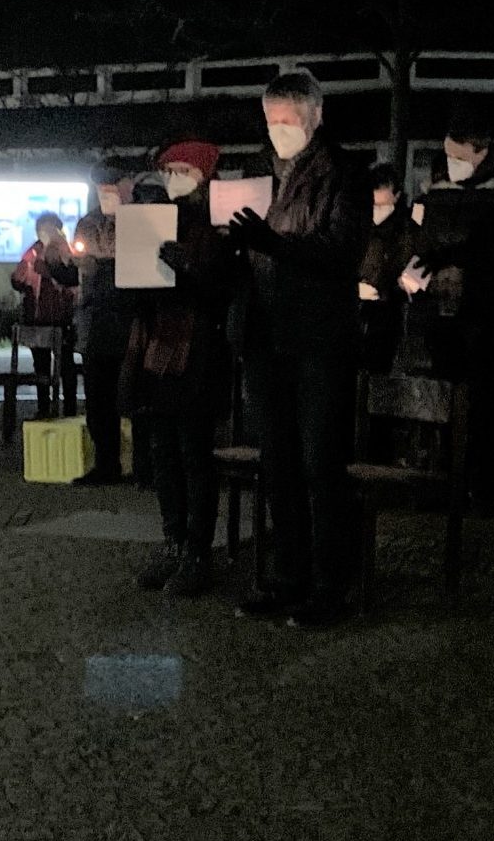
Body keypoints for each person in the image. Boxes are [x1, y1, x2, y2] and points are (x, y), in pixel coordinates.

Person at [229, 72, 368, 625]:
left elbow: (341, 252)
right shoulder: (265, 173)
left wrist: (271, 243)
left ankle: (331, 586)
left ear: (315, 117)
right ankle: (288, 576)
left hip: (319, 340)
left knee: (319, 464)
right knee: (277, 463)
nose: (277, 131)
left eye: (287, 121)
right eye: (270, 121)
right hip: (267, 336)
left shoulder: (344, 174)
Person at [403, 103, 494, 510]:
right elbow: (419, 235)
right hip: (437, 309)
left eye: (458, 156)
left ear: (481, 151)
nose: (450, 163)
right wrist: (419, 265)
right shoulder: (437, 190)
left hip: (481, 310)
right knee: (440, 396)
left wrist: (456, 260)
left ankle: (478, 485)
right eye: (447, 155)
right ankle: (441, 478)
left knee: (478, 400)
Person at [126, 139, 232, 597]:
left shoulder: (217, 224)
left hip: (198, 353)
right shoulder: (158, 218)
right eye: (168, 172)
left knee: (194, 455)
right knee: (164, 454)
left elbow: (218, 290)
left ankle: (197, 551)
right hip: (159, 350)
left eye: (181, 171)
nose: (172, 179)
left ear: (203, 176)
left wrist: (182, 266)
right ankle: (173, 541)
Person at [71, 164, 134, 484]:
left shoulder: (140, 220)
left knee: (134, 395)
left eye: (112, 186)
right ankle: (105, 463)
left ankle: (143, 464)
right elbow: (77, 271)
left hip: (131, 318)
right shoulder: (88, 222)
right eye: (101, 187)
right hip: (95, 319)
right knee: (98, 398)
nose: (106, 193)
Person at [10, 211, 79, 417]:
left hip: (61, 319)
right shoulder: (32, 253)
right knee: (41, 366)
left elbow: (72, 280)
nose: (45, 233)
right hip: (37, 318)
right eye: (42, 229)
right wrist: (18, 278)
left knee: (66, 365)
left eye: (49, 228)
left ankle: (69, 409)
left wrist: (49, 270)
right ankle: (44, 408)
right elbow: (20, 280)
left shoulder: (67, 251)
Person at [358, 163, 412, 375]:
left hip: (386, 312)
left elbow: (407, 263)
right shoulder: (357, 222)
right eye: (374, 204)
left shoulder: (405, 228)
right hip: (355, 310)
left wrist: (386, 290)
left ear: (396, 197)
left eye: (383, 204)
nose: (377, 210)